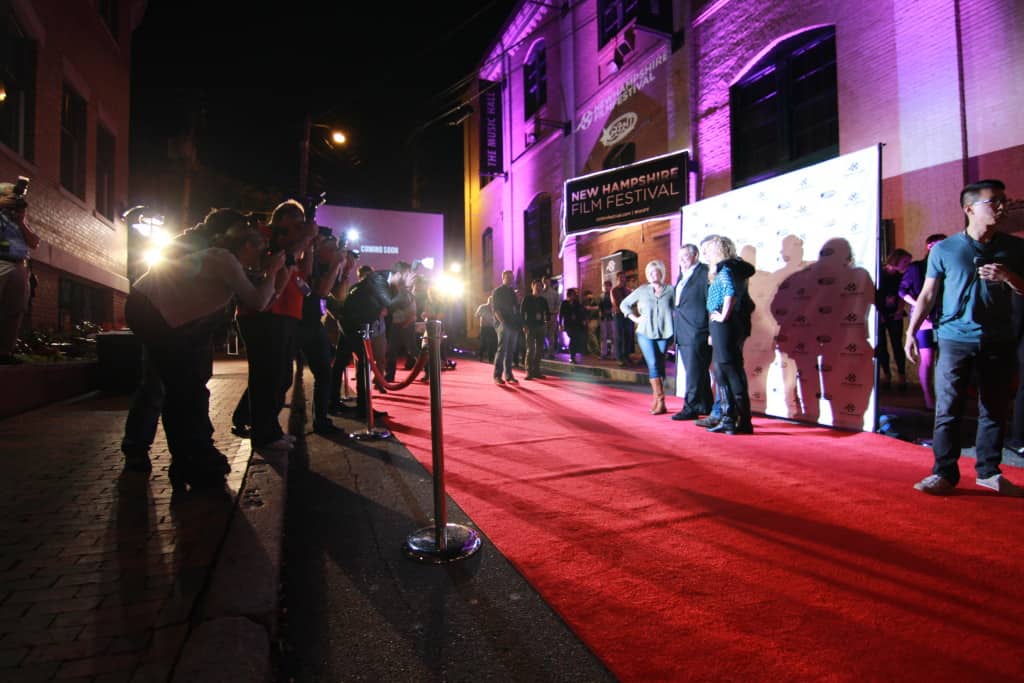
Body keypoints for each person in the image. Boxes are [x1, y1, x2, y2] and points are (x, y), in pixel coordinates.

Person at [127, 212, 285, 490]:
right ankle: (191, 459)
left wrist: (282, 272)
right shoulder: (222, 258)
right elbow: (258, 301)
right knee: (184, 389)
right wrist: (273, 270)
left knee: (185, 388)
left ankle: (186, 461)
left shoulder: (227, 261)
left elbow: (266, 298)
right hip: (151, 312)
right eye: (258, 250)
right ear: (246, 246)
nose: (259, 258)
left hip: (166, 317)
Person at [904, 179, 1024, 496]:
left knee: (994, 409)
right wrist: (911, 331)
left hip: (998, 340)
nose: (1002, 206)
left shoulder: (1015, 248)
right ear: (969, 208)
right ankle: (943, 473)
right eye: (994, 201)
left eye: (1004, 200)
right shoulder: (944, 249)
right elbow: (928, 294)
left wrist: (1008, 277)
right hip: (954, 339)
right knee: (948, 408)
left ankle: (988, 471)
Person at [232, 200, 316, 452]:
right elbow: (276, 263)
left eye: (303, 225)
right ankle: (263, 435)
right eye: (296, 225)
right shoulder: (264, 239)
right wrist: (304, 238)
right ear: (281, 221)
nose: (301, 230)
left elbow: (307, 272)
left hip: (288, 315)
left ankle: (271, 429)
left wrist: (309, 244)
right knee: (266, 377)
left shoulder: (296, 246)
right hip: (264, 314)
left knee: (281, 378)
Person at [297, 234, 355, 435]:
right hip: (295, 323)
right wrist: (335, 266)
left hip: (313, 323)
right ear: (317, 247)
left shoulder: (330, 267)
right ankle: (244, 417)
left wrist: (345, 271)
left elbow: (340, 296)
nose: (335, 252)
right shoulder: (307, 263)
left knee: (324, 373)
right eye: (330, 247)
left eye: (336, 248)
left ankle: (321, 420)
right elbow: (320, 291)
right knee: (277, 375)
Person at [704, 236, 754, 434]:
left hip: (726, 326)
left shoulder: (726, 269)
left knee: (729, 372)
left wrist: (723, 316)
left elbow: (730, 293)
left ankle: (739, 420)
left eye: (708, 250)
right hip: (725, 327)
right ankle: (731, 419)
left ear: (717, 251)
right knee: (723, 372)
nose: (705, 254)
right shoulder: (732, 269)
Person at [620, 260, 675, 415]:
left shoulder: (671, 290)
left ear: (661, 273)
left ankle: (657, 399)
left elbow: (679, 306)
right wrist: (635, 318)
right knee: (653, 363)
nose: (652, 275)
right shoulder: (642, 290)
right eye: (649, 273)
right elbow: (624, 304)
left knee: (660, 363)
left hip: (665, 333)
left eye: (655, 272)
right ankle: (661, 399)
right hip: (645, 332)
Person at [899, 234, 946, 409]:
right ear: (929, 246)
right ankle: (928, 398)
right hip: (924, 320)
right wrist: (920, 306)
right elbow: (902, 292)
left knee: (945, 360)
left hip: (945, 319)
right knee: (927, 359)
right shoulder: (916, 267)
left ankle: (943, 397)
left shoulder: (948, 267)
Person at [0, 180, 40, 364]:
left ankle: (6, 353)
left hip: (19, 265)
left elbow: (34, 242)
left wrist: (21, 221)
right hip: (2, 262)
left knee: (15, 310)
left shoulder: (19, 220)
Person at [671, 244, 713, 420]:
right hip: (683, 330)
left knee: (694, 372)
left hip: (698, 330)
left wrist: (711, 331)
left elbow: (711, 303)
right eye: (679, 257)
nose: (681, 261)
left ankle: (690, 407)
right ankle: (706, 404)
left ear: (695, 255)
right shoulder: (682, 274)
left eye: (685, 257)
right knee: (699, 371)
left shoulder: (704, 273)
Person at [876, 248, 912, 389]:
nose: (906, 265)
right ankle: (886, 375)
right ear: (896, 259)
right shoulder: (879, 274)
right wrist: (879, 314)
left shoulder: (900, 276)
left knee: (897, 344)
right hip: (880, 313)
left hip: (894, 313)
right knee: (882, 346)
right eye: (905, 262)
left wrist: (899, 310)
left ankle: (902, 376)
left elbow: (903, 293)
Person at [491, 270, 520, 385]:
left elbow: (515, 309)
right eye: (508, 277)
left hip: (512, 324)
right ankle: (497, 375)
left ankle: (508, 375)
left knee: (510, 350)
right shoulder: (497, 291)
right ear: (503, 277)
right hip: (502, 323)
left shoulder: (512, 292)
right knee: (502, 349)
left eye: (512, 278)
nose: (510, 279)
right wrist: (503, 323)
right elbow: (496, 309)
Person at [520, 279, 549, 380]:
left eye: (540, 287)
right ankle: (528, 371)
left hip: (540, 327)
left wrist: (546, 323)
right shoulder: (527, 299)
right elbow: (522, 313)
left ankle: (537, 370)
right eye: (536, 286)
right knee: (531, 349)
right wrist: (524, 325)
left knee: (539, 350)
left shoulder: (543, 300)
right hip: (530, 327)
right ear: (532, 287)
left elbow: (547, 313)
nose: (538, 288)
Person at [559, 288, 588, 365]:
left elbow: (581, 312)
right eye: (572, 295)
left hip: (577, 324)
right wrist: (560, 324)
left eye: (574, 295)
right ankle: (572, 356)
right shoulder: (564, 303)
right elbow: (561, 314)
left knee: (575, 339)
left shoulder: (577, 303)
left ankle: (573, 356)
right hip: (568, 324)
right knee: (573, 337)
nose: (573, 296)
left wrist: (583, 320)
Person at [610, 271, 632, 366]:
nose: (623, 279)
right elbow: (616, 302)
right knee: (619, 336)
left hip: (627, 315)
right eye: (620, 278)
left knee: (628, 336)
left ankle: (626, 356)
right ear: (617, 279)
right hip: (618, 314)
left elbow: (631, 301)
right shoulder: (614, 290)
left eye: (624, 277)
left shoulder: (628, 290)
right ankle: (619, 357)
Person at [541, 275, 561, 358]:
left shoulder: (554, 293)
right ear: (543, 281)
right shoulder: (540, 292)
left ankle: (551, 353)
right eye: (545, 280)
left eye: (548, 280)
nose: (546, 282)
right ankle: (541, 352)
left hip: (552, 316)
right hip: (542, 317)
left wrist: (555, 315)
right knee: (542, 335)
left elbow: (558, 306)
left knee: (551, 336)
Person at [475, 295, 497, 362]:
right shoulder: (482, 307)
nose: (491, 302)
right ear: (488, 300)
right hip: (484, 327)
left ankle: (491, 358)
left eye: (492, 301)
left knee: (492, 343)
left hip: (492, 327)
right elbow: (476, 315)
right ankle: (480, 356)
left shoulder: (495, 308)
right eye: (490, 300)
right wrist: (482, 315)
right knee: (483, 342)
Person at [597, 280, 615, 359]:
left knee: (613, 336)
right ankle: (603, 353)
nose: (606, 287)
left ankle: (613, 353)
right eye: (604, 286)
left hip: (612, 317)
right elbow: (600, 307)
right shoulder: (601, 296)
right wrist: (601, 313)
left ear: (610, 286)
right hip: (604, 318)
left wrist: (611, 311)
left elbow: (615, 305)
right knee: (603, 336)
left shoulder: (613, 294)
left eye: (607, 286)